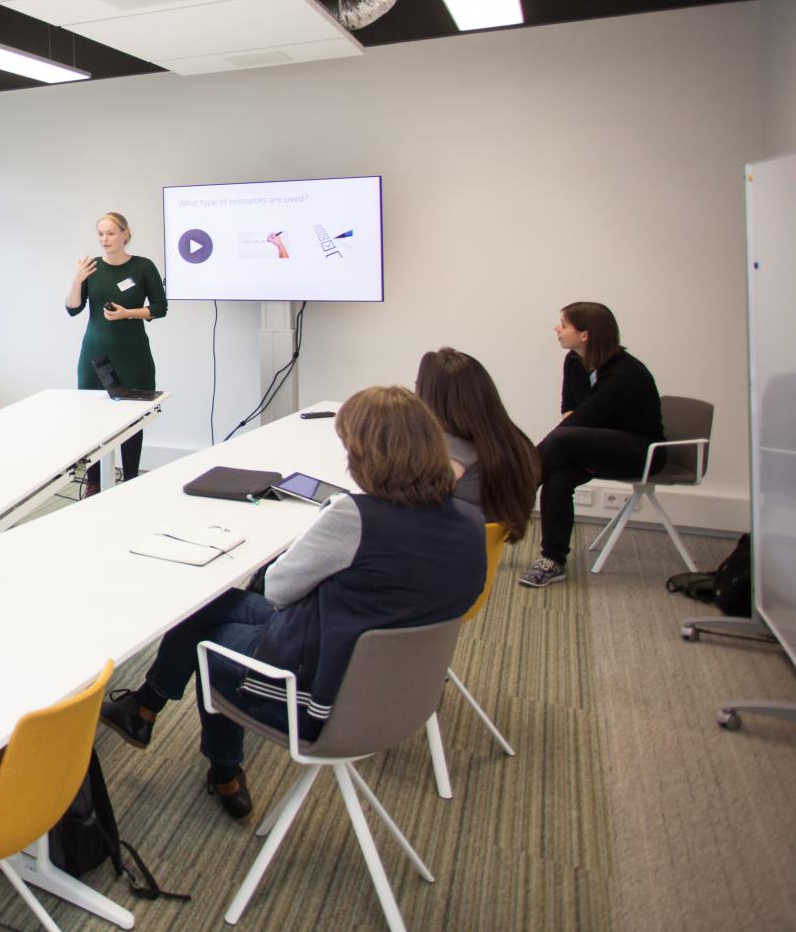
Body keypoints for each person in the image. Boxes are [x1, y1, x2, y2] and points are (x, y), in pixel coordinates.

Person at [97, 386, 486, 821]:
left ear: (368, 456)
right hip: (401, 688)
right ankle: (144, 709)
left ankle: (222, 767)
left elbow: (279, 590)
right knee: (207, 605)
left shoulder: (355, 517)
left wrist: (320, 538)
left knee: (212, 643)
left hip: (324, 694)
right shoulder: (469, 519)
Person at [520, 302, 664, 588]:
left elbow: (577, 422)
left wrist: (530, 462)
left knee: (562, 439)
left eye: (563, 324)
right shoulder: (574, 361)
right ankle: (553, 559)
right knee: (558, 478)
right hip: (593, 443)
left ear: (585, 334)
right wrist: (578, 429)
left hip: (639, 451)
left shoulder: (624, 374)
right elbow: (569, 411)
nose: (557, 329)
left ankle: (514, 494)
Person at [66, 211, 167, 482]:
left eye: (110, 233)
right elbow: (72, 309)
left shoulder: (143, 267)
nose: (104, 239)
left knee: (133, 419)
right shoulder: (92, 268)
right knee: (93, 421)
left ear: (125, 234)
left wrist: (128, 313)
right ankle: (94, 483)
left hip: (133, 354)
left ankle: (131, 479)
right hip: (95, 354)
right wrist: (77, 279)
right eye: (100, 234)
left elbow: (160, 308)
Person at [414, 346, 538, 543]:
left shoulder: (450, 453)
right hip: (479, 553)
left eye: (418, 386)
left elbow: (406, 504)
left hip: (445, 556)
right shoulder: (509, 440)